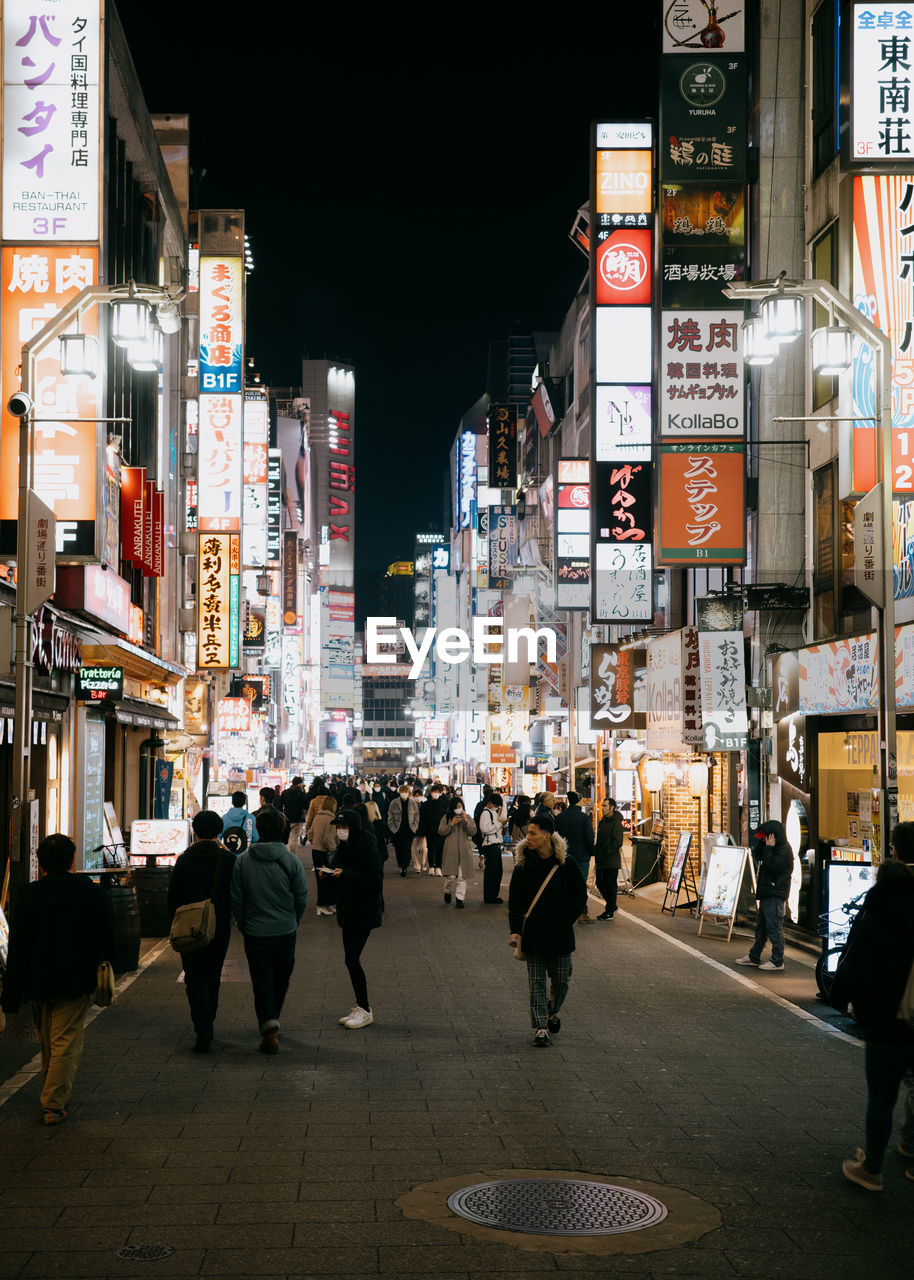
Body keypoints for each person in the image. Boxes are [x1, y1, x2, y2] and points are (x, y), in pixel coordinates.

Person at [0, 833, 113, 1124]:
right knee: (65, 1040)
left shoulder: (28, 894)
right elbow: (104, 930)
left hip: (37, 979)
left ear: (41, 862)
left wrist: (12, 991)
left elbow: (19, 945)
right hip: (75, 978)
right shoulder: (86, 890)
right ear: (72, 860)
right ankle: (52, 1104)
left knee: (49, 1040)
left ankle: (50, 1094)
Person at [831, 821, 914, 1191]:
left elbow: (859, 951)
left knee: (882, 1097)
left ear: (894, 850)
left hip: (887, 1015)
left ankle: (873, 1170)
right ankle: (910, 1148)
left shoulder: (885, 895)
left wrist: (842, 995)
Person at [231, 806, 308, 1053]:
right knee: (281, 978)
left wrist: (244, 924)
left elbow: (237, 898)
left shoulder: (243, 861)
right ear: (283, 832)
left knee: (261, 979)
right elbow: (301, 898)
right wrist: (293, 920)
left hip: (255, 932)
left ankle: (269, 1024)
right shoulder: (291, 861)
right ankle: (271, 1022)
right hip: (285, 930)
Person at [507, 814, 587, 1048]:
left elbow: (579, 895)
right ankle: (541, 1027)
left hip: (560, 934)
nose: (528, 837)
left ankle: (552, 1011)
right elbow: (515, 900)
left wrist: (566, 919)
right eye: (528, 832)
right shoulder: (523, 864)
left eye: (533, 833)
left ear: (546, 836)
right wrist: (515, 931)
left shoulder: (566, 863)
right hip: (533, 934)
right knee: (537, 983)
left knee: (562, 979)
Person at [167, 810, 237, 1053]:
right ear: (219, 831)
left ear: (194, 831)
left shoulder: (184, 859)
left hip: (189, 925)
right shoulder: (228, 859)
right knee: (213, 973)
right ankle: (209, 1019)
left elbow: (172, 896)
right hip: (219, 925)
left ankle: (202, 1025)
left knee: (194, 975)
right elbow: (235, 894)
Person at [322, 809, 384, 1029]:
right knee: (350, 959)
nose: (340, 832)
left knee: (352, 959)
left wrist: (345, 874)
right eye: (338, 828)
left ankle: (365, 1009)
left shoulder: (368, 849)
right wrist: (328, 873)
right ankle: (361, 1006)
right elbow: (338, 869)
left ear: (354, 827)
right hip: (348, 910)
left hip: (363, 912)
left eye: (343, 827)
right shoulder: (344, 847)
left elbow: (375, 883)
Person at [735, 820, 794, 971]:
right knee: (761, 927)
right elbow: (758, 855)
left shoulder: (784, 849)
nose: (763, 839)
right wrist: (764, 845)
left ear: (773, 836)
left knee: (774, 927)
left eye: (765, 836)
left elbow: (771, 868)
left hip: (775, 892)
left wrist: (769, 848)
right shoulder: (771, 846)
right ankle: (754, 956)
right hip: (767, 891)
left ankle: (777, 960)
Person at [555, 792, 594, 923]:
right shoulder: (584, 818)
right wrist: (591, 851)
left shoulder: (560, 818)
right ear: (578, 802)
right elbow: (589, 838)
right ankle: (582, 913)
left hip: (565, 854)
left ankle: (564, 911)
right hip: (582, 855)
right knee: (581, 884)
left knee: (566, 883)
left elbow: (556, 837)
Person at [439, 796, 478, 908]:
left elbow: (473, 832)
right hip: (451, 850)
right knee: (450, 876)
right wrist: (451, 824)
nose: (459, 810)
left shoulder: (468, 817)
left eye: (461, 807)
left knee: (462, 876)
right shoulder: (446, 818)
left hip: (464, 850)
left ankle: (459, 898)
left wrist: (466, 822)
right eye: (456, 808)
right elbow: (441, 831)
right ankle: (447, 891)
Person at [306, 795, 339, 916]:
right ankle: (322, 905)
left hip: (316, 852)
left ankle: (327, 904)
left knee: (321, 879)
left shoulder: (317, 817)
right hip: (326, 853)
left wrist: (314, 842)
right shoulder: (331, 819)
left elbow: (310, 834)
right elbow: (328, 839)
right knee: (328, 879)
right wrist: (334, 849)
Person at [594, 797, 624, 921]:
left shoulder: (616, 822)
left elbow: (617, 842)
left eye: (605, 806)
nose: (603, 808)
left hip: (610, 861)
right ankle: (612, 906)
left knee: (610, 886)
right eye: (602, 806)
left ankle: (609, 911)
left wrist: (607, 852)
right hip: (601, 859)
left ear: (612, 807)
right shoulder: (603, 821)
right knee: (599, 884)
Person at [478, 792, 506, 903]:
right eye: (496, 805)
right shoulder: (486, 813)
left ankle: (493, 895)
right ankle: (489, 896)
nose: (497, 807)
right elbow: (485, 829)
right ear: (490, 803)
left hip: (495, 844)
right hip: (490, 845)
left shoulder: (493, 813)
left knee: (497, 871)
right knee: (492, 872)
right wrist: (499, 824)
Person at [386, 782, 419, 877]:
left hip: (409, 829)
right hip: (397, 830)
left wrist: (414, 827)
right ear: (399, 792)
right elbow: (390, 816)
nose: (404, 793)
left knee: (407, 848)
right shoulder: (394, 802)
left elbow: (417, 815)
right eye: (402, 791)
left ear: (409, 793)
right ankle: (400, 864)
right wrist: (392, 827)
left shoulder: (413, 803)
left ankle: (404, 867)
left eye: (405, 792)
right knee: (398, 848)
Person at [420, 783, 448, 877]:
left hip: (440, 830)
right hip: (429, 830)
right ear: (431, 792)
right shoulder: (426, 804)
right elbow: (422, 818)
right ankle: (431, 866)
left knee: (440, 849)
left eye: (438, 792)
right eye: (434, 792)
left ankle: (439, 867)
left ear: (440, 793)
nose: (435, 793)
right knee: (430, 848)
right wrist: (423, 829)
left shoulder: (444, 804)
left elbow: (446, 818)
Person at [279, 776, 308, 852]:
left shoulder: (285, 792)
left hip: (287, 817)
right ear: (299, 784)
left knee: (287, 838)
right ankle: (293, 855)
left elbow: (280, 805)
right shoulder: (301, 793)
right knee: (295, 838)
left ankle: (287, 854)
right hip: (298, 818)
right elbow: (306, 805)